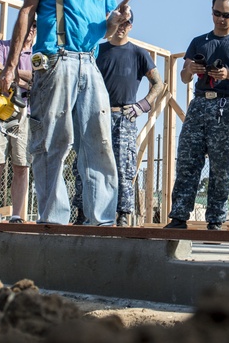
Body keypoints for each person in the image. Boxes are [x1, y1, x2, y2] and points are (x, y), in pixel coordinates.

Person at [0, 0, 133, 226]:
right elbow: (26, 11)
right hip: (55, 60)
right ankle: (54, 222)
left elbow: (106, 30)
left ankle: (101, 222)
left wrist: (116, 20)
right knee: (51, 142)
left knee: (98, 142)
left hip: (90, 62)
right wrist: (11, 65)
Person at [164, 0, 229, 230]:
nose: (220, 19)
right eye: (217, 13)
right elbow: (184, 77)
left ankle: (215, 219)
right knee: (187, 161)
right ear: (211, 11)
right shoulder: (199, 41)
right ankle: (179, 216)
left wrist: (227, 74)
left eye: (226, 15)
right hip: (200, 104)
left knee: (221, 165)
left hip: (227, 106)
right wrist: (191, 69)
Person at [71, 12, 166, 226]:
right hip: (94, 114)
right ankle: (83, 212)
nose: (122, 26)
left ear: (131, 26)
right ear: (112, 23)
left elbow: (158, 83)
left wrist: (143, 105)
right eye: (119, 22)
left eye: (127, 23)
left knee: (123, 166)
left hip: (124, 117)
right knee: (86, 162)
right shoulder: (97, 50)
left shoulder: (139, 54)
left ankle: (122, 215)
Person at [0, 24, 35, 223]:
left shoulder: (37, 53)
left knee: (22, 165)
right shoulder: (1, 46)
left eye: (34, 27)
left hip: (26, 112)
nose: (30, 30)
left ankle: (16, 216)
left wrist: (11, 74)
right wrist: (24, 79)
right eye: (27, 26)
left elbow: (39, 78)